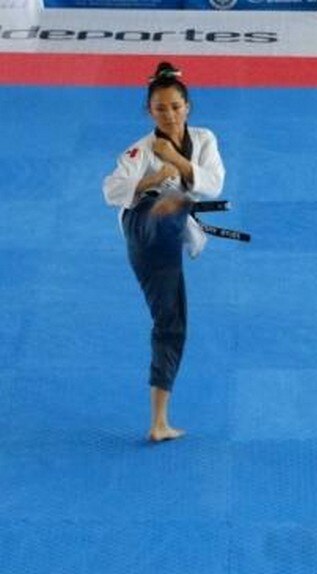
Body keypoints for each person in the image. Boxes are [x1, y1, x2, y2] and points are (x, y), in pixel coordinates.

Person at [102, 61, 225, 443]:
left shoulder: (204, 139)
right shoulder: (138, 151)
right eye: (160, 108)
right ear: (148, 111)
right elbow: (110, 190)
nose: (169, 115)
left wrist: (176, 161)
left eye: (175, 106)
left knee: (171, 325)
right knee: (168, 202)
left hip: (166, 242)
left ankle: (159, 423)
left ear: (188, 107)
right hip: (141, 227)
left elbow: (214, 184)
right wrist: (151, 179)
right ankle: (171, 208)